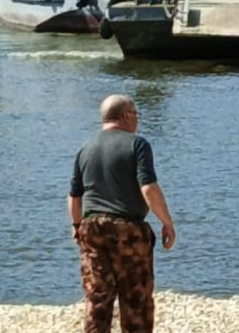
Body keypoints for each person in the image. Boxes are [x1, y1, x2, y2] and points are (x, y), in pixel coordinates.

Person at [68, 95, 176, 333]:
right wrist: (166, 222)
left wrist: (76, 226)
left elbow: (74, 196)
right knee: (136, 301)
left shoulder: (85, 148)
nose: (137, 120)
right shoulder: (137, 144)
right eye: (136, 115)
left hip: (92, 229)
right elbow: (148, 188)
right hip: (127, 230)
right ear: (127, 116)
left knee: (97, 299)